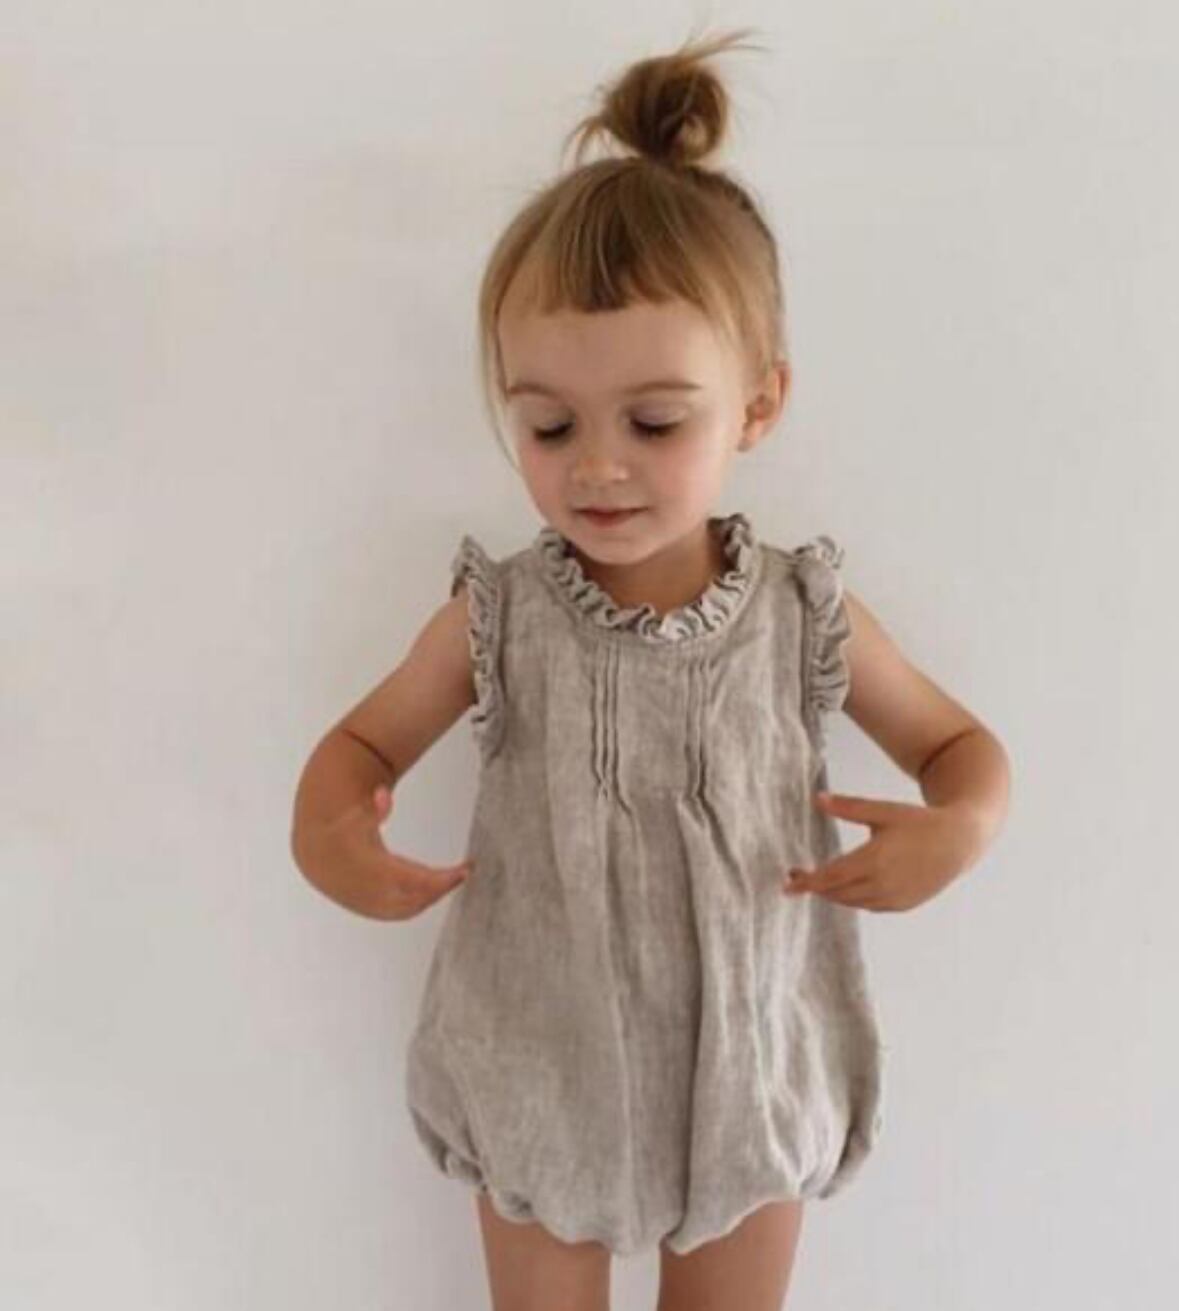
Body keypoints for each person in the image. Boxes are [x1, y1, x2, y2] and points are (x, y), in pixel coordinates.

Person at [290, 24, 1012, 1311]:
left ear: (759, 404)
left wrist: (956, 829)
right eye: (548, 425)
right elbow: (360, 746)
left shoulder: (803, 612)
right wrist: (331, 833)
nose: (599, 465)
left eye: (656, 421)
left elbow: (962, 749)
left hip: (752, 1060)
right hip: (542, 1059)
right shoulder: (498, 616)